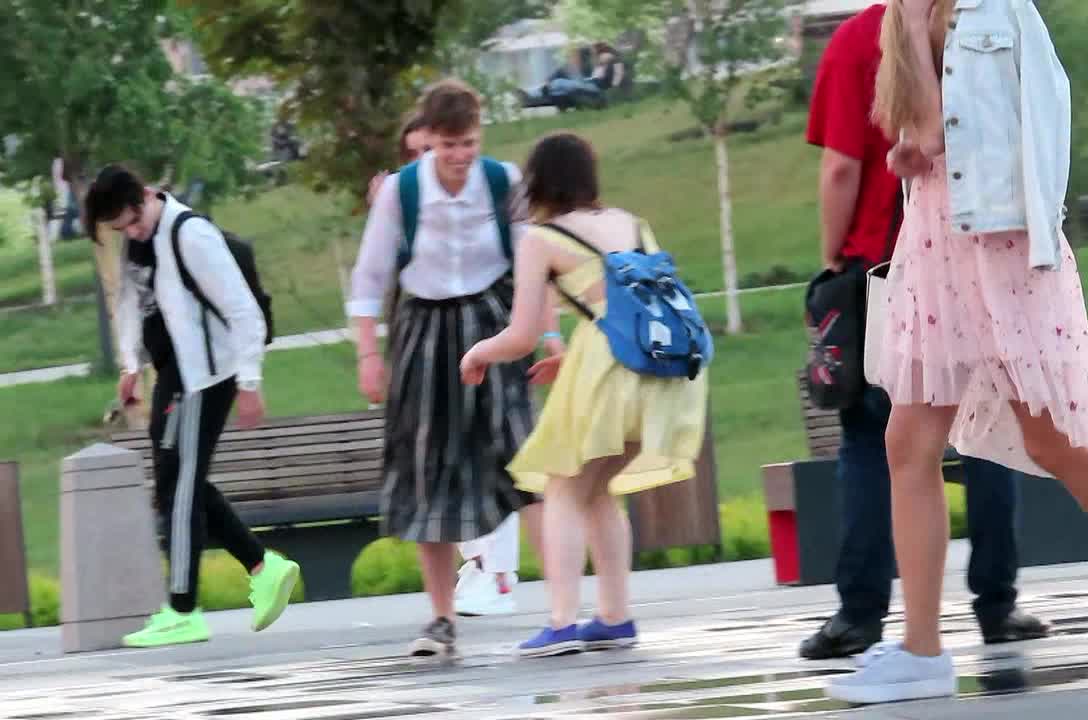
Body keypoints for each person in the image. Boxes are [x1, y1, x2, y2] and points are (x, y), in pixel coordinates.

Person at [825, 0, 1088, 704]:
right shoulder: (905, 17)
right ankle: (921, 648)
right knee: (907, 440)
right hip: (935, 243)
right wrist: (913, 118)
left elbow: (1044, 111)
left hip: (1003, 244)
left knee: (1057, 440)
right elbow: (921, 130)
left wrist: (1039, 232)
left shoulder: (999, 9)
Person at [800, 1, 1047, 662]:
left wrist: (833, 255)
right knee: (985, 434)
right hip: (978, 255)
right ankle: (998, 604)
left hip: (884, 263)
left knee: (872, 440)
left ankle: (860, 615)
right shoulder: (973, 26)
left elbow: (842, 167)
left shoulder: (858, 39)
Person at [460, 132, 709, 658]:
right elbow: (626, 305)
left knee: (563, 489)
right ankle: (615, 616)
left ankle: (561, 622)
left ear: (539, 182)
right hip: (661, 370)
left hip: (609, 368)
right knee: (597, 490)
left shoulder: (541, 238)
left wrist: (478, 353)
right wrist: (572, 356)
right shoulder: (632, 223)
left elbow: (522, 335)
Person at [347, 79, 561, 657]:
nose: (460, 156)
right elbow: (369, 278)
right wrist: (368, 354)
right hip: (425, 328)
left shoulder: (503, 181)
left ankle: (563, 610)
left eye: (468, 143)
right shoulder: (401, 191)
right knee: (428, 466)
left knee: (526, 459)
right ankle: (442, 618)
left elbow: (534, 266)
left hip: (495, 321)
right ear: (429, 139)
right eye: (448, 146)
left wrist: (549, 337)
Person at [82, 165, 300, 648]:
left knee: (180, 486)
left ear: (145, 196)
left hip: (207, 376)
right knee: (175, 482)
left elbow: (243, 310)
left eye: (133, 222)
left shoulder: (191, 234)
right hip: (174, 374)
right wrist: (131, 365)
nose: (131, 233)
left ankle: (183, 610)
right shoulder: (136, 241)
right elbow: (132, 305)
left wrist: (250, 382)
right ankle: (264, 566)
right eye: (120, 229)